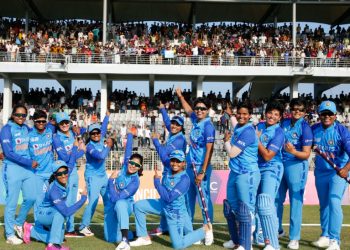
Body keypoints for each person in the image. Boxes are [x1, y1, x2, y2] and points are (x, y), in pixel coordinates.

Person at [130, 150, 214, 249]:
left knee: (178, 245)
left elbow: (169, 198)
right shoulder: (169, 170)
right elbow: (163, 154)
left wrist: (157, 183)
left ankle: (204, 230)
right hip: (162, 205)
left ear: (183, 163)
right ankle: (143, 237)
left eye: (178, 161)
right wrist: (156, 140)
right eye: (173, 160)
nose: (175, 164)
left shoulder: (184, 179)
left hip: (175, 213)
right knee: (138, 205)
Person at [22, 159, 87, 250]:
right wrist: (83, 199)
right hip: (43, 214)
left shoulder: (65, 179)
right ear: (55, 175)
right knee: (61, 213)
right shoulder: (54, 190)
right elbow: (66, 212)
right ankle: (52, 246)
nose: (63, 175)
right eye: (59, 174)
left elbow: (71, 162)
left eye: (65, 172)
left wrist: (77, 148)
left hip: (51, 211)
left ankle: (31, 230)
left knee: (59, 239)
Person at [311, 100, 350, 250]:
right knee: (324, 205)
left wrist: (346, 169)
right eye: (323, 114)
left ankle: (335, 240)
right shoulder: (313, 129)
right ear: (319, 115)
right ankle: (325, 235)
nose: (326, 116)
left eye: (330, 114)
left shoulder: (342, 131)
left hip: (338, 173)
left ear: (335, 115)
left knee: (334, 202)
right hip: (321, 172)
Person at [222, 102, 261, 250]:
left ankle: (247, 244)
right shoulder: (238, 126)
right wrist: (231, 114)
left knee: (246, 209)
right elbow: (234, 122)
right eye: (239, 113)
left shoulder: (248, 131)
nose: (242, 116)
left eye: (245, 114)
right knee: (231, 206)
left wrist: (226, 141)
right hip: (236, 172)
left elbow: (232, 153)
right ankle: (236, 239)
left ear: (250, 115)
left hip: (247, 173)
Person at [175, 87, 215, 229]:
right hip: (189, 166)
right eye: (197, 108)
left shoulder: (208, 126)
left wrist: (202, 171)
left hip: (200, 167)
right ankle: (188, 228)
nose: (199, 111)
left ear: (208, 110)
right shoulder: (196, 120)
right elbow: (188, 110)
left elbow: (210, 150)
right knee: (188, 198)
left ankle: (208, 229)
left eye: (203, 109)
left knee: (204, 199)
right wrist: (180, 97)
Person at [276, 98, 313, 250]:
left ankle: (294, 238)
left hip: (297, 166)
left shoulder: (305, 127)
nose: (297, 111)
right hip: (280, 164)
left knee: (295, 202)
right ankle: (277, 230)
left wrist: (293, 151)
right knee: (276, 199)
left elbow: (306, 154)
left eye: (300, 109)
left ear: (305, 112)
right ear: (290, 109)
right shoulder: (284, 122)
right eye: (294, 109)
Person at [1, 104, 38, 245]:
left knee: (32, 197)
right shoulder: (6, 129)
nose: (21, 118)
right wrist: (28, 162)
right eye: (18, 115)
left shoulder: (26, 128)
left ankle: (18, 223)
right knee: (11, 202)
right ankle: (10, 235)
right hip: (13, 168)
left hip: (27, 169)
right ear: (13, 115)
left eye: (24, 115)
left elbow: (38, 134)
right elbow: (9, 153)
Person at [149, 101, 187, 236]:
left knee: (173, 201)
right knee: (167, 200)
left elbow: (165, 157)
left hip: (174, 172)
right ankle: (163, 227)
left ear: (182, 127)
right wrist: (162, 109)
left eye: (177, 125)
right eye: (173, 123)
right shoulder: (173, 133)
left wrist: (155, 141)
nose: (174, 126)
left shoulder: (179, 140)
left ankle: (184, 230)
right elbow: (167, 122)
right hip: (171, 171)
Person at [255, 101, 285, 250]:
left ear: (280, 118)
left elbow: (267, 156)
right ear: (265, 113)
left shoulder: (279, 132)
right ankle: (260, 237)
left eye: (276, 114)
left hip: (272, 168)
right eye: (270, 113)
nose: (272, 116)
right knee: (257, 205)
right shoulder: (259, 126)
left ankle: (272, 243)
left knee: (266, 203)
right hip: (256, 168)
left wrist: (257, 140)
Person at [106, 131, 143, 249]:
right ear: (128, 162)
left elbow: (116, 197)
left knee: (120, 203)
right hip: (113, 204)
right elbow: (128, 149)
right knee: (110, 238)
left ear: (139, 168)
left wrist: (111, 180)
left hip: (126, 205)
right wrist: (130, 135)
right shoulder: (124, 166)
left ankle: (125, 240)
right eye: (131, 162)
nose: (133, 166)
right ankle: (134, 233)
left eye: (136, 165)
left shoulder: (135, 181)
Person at [79, 111, 113, 237]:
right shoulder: (89, 147)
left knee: (108, 200)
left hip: (103, 175)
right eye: (93, 133)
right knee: (93, 200)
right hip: (92, 176)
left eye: (97, 132)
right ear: (90, 134)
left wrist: (107, 116)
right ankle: (83, 226)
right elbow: (100, 156)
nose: (96, 134)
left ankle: (110, 223)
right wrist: (109, 146)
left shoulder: (101, 136)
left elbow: (103, 127)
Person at [52, 112, 86, 237]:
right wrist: (78, 150)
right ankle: (65, 228)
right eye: (62, 123)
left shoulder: (73, 133)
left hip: (74, 172)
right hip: (64, 173)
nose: (65, 125)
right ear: (58, 124)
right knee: (65, 201)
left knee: (71, 200)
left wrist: (80, 148)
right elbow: (65, 157)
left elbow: (82, 149)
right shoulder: (56, 138)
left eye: (66, 122)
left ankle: (70, 228)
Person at [28, 110, 55, 206]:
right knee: (38, 200)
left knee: (52, 199)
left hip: (50, 172)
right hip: (36, 173)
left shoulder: (50, 132)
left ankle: (51, 221)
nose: (41, 123)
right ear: (34, 121)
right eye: (38, 121)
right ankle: (38, 221)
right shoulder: (29, 135)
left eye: (43, 121)